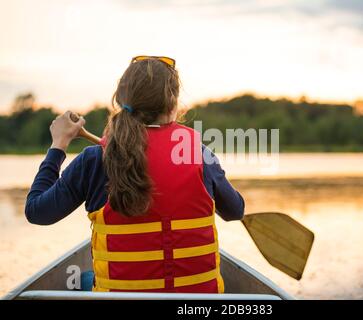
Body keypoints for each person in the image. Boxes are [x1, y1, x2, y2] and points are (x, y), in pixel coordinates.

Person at [25, 56, 245, 293]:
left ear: (120, 100)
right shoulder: (197, 153)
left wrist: (58, 145)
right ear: (173, 104)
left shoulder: (93, 160)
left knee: (80, 278)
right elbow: (235, 211)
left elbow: (37, 212)